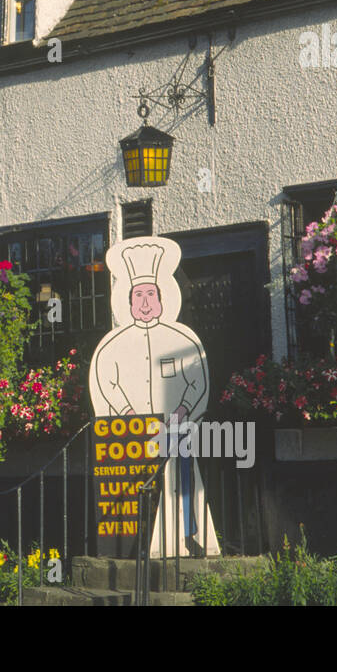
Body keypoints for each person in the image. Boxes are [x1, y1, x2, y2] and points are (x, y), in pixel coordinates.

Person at [89, 238, 219, 557]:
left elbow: (197, 381)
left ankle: (190, 539)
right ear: (127, 300)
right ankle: (138, 544)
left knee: (182, 478)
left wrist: (182, 410)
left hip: (174, 431)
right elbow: (107, 381)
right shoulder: (113, 345)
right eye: (138, 295)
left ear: (162, 297)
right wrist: (127, 412)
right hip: (133, 436)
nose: (145, 302)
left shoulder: (181, 338)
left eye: (151, 294)